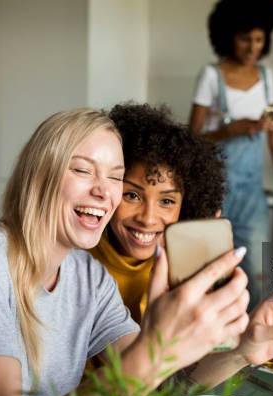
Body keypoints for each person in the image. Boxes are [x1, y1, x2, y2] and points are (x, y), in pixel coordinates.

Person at [0, 108, 273, 396]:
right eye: (83, 170)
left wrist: (245, 349)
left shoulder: (89, 277)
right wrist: (156, 350)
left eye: (116, 177)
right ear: (39, 174)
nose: (106, 192)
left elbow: (158, 391)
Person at [189, 0, 273, 309]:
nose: (252, 47)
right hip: (215, 192)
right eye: (245, 39)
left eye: (259, 40)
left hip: (252, 195)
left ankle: (252, 341)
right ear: (228, 36)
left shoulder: (266, 77)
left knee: (258, 272)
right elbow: (192, 138)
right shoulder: (210, 76)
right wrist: (230, 129)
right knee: (212, 270)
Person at [90, 103, 226, 323]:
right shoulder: (77, 261)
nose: (148, 218)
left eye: (166, 201)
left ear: (187, 206)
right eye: (132, 196)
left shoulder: (184, 269)